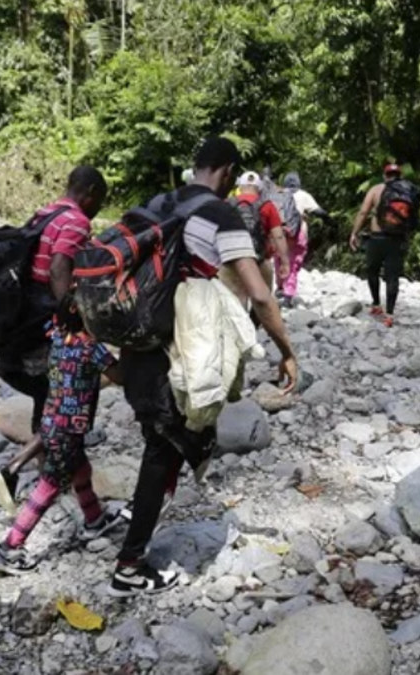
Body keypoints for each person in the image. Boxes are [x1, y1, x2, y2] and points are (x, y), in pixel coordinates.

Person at [110, 137, 299, 597]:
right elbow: (259, 294)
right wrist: (287, 351)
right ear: (229, 171)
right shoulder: (220, 214)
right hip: (177, 346)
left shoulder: (155, 204)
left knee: (167, 440)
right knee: (170, 446)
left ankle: (140, 515)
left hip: (137, 339)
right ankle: (129, 568)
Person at [0, 166, 108, 516]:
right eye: (100, 200)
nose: (98, 208)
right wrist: (74, 321)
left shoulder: (45, 214)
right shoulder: (76, 220)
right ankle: (15, 469)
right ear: (90, 192)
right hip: (46, 328)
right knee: (72, 407)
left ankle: (71, 490)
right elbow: (57, 269)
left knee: (49, 399)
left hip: (20, 330)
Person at [0, 304, 128, 574]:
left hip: (52, 420)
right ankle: (9, 548)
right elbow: (119, 376)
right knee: (49, 487)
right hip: (69, 429)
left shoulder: (57, 337)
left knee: (81, 470)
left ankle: (95, 519)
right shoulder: (90, 347)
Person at [349, 163, 419, 327]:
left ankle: (376, 304)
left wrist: (354, 233)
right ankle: (390, 315)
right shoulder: (408, 192)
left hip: (377, 238)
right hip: (397, 239)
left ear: (384, 175)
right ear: (400, 176)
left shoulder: (376, 189)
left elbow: (363, 212)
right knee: (393, 277)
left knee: (372, 270)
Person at [221, 170, 288, 299]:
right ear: (259, 187)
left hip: (231, 260)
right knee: (263, 300)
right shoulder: (267, 206)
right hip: (259, 260)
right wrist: (285, 262)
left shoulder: (226, 204)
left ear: (240, 186)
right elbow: (278, 236)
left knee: (234, 301)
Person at [278, 172, 328, 306]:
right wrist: (330, 220)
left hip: (279, 234)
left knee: (279, 259)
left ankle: (280, 287)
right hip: (297, 233)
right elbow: (318, 212)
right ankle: (288, 294)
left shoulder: (278, 194)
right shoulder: (304, 195)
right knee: (293, 263)